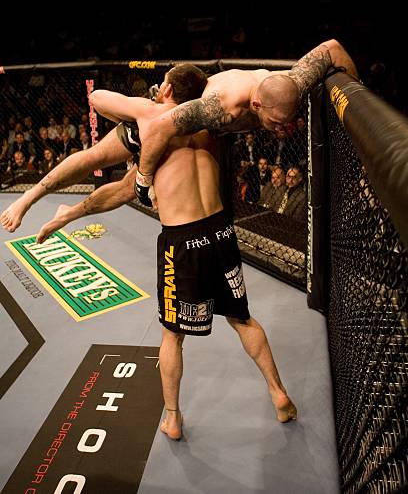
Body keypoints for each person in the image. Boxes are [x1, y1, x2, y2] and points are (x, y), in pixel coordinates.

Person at [35, 72, 297, 441]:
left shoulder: (154, 127)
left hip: (183, 241)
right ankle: (278, 393)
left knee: (172, 335)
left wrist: (69, 215)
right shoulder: (212, 123)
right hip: (221, 232)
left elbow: (102, 109)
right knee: (242, 319)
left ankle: (172, 418)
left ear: (168, 89)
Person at [134, 39, 358, 204]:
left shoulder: (294, 82)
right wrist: (143, 180)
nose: (281, 128)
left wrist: (355, 103)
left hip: (214, 124)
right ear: (257, 105)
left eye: (285, 122)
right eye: (275, 122)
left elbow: (333, 48)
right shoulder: (220, 107)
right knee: (139, 179)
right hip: (181, 113)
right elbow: (159, 126)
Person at [0, 65, 205, 232]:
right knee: (108, 169)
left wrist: (138, 109)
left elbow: (96, 97)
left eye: (163, 83)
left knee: (123, 185)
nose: (158, 87)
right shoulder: (199, 123)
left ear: (168, 90)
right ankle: (30, 199)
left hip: (153, 130)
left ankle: (63, 212)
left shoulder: (150, 110)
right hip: (193, 218)